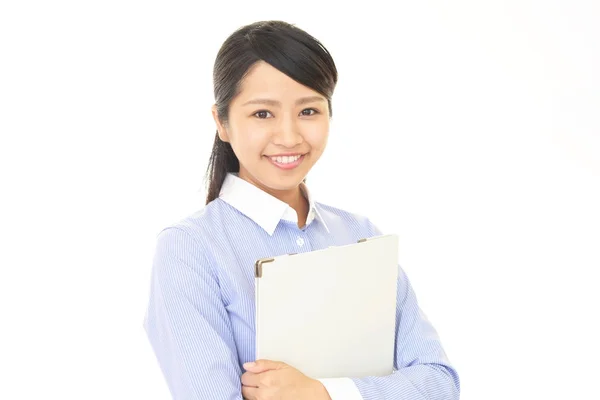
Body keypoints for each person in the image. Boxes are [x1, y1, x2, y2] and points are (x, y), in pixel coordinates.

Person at [143, 20, 460, 400]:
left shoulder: (361, 236)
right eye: (263, 114)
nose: (289, 136)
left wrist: (323, 393)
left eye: (309, 111)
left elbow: (439, 384)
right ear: (222, 123)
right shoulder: (190, 249)